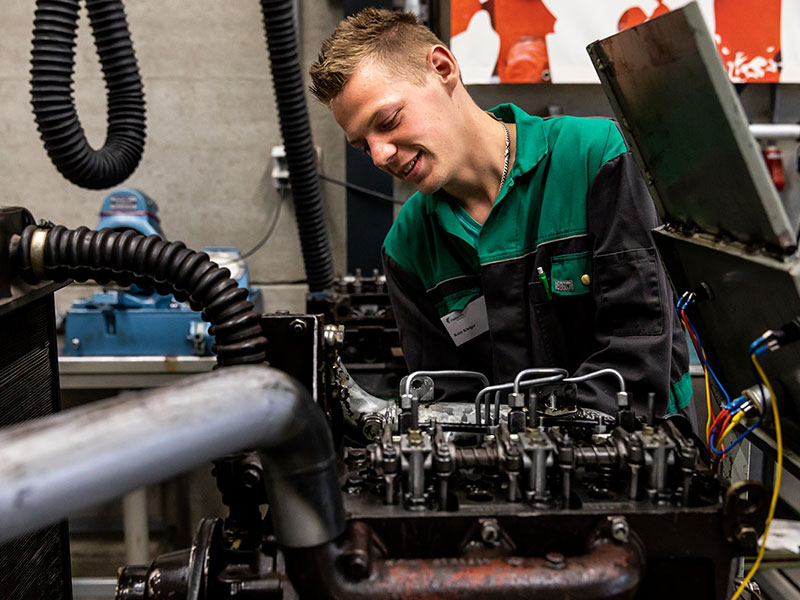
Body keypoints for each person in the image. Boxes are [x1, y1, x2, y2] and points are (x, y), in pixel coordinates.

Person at [309, 8, 692, 419]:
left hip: (643, 454)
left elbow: (638, 359)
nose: (381, 155)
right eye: (363, 146)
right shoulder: (407, 245)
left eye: (388, 120)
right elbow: (445, 401)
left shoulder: (594, 159)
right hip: (507, 473)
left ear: (442, 68)